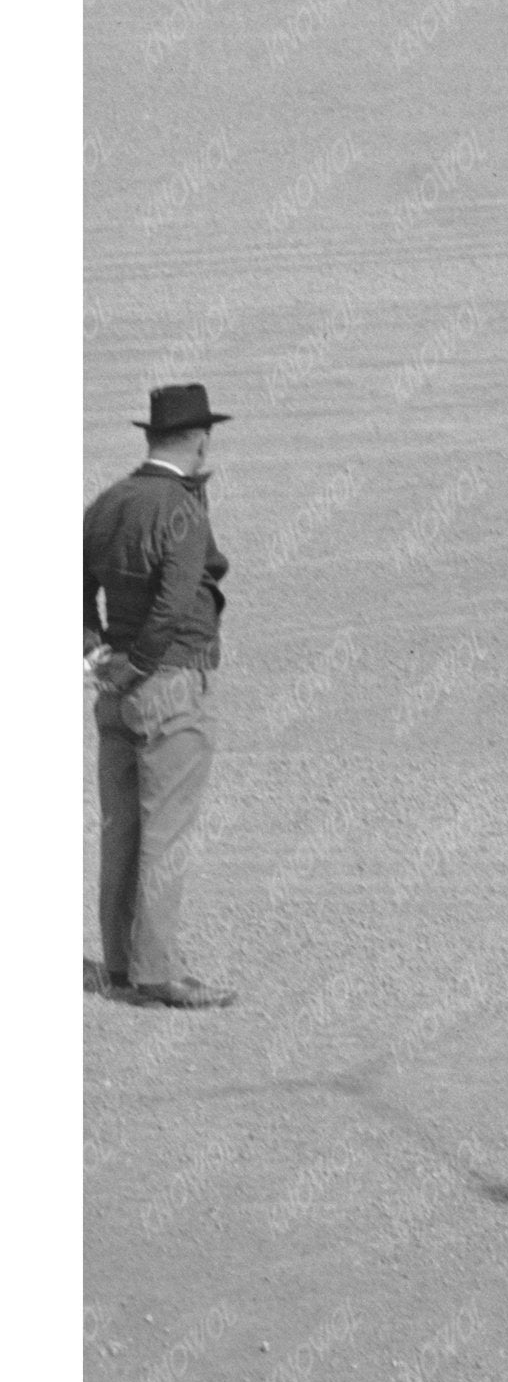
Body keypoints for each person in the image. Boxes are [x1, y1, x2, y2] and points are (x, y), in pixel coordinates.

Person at [84, 377, 237, 1009]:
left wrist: (96, 651)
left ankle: (120, 964)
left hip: (113, 689)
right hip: (165, 682)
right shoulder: (180, 508)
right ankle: (154, 973)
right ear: (199, 440)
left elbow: (69, 580)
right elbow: (176, 600)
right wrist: (140, 664)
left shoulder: (109, 500)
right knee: (165, 832)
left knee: (120, 829)